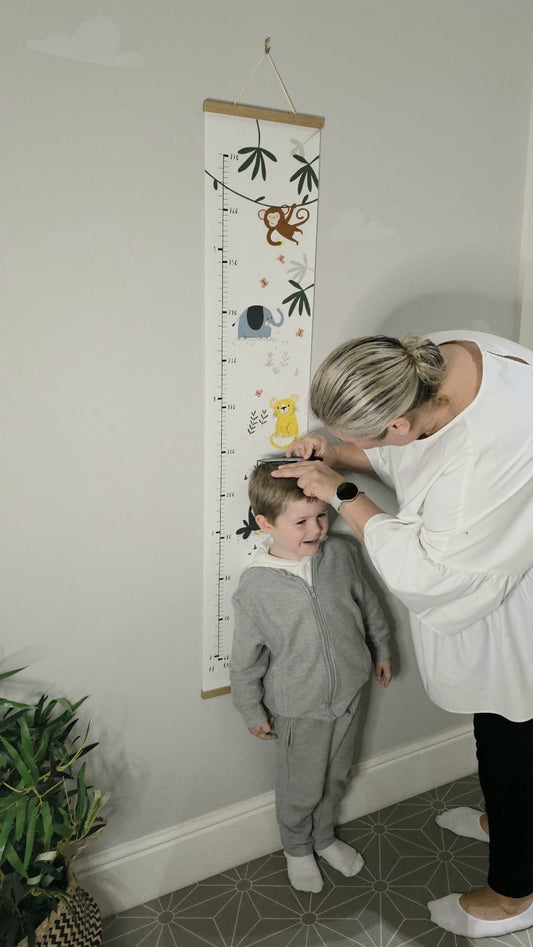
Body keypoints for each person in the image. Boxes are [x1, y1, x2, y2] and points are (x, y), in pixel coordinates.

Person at [271, 329, 533, 937]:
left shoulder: (488, 451)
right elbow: (408, 447)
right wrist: (335, 452)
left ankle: (516, 892)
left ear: (396, 427)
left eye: (361, 437)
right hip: (493, 554)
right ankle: (503, 822)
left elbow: (429, 575)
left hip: (510, 598)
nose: (350, 447)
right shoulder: (436, 357)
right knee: (491, 721)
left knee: (513, 732)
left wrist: (341, 492)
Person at [230, 461, 392, 893]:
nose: (316, 528)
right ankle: (297, 848)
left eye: (321, 515)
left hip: (351, 692)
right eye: (301, 521)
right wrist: (250, 709)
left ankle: (323, 838)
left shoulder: (341, 553)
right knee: (300, 785)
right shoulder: (256, 588)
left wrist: (381, 648)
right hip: (298, 707)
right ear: (265, 524)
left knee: (338, 775)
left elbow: (369, 604)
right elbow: (245, 660)